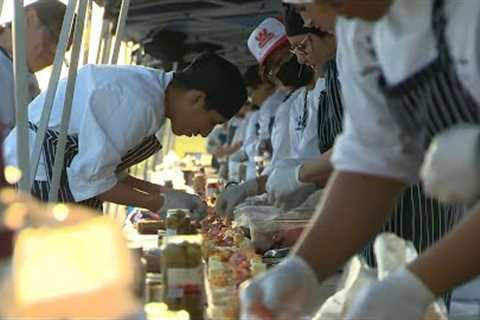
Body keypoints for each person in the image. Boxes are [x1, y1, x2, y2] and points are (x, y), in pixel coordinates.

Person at [240, 0, 480, 319]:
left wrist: (414, 287)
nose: (308, 19)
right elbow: (371, 158)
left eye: (304, 7)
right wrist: (303, 269)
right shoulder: (358, 35)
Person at [4, 52, 247, 215]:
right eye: (212, 122)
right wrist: (160, 204)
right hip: (38, 177)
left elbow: (107, 173)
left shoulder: (149, 92)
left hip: (43, 171)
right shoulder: (141, 103)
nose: (205, 133)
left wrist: (163, 192)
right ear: (197, 98)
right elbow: (90, 179)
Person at [215, 17, 313, 215]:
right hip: (300, 206)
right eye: (274, 66)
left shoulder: (335, 85)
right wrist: (253, 191)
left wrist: (252, 190)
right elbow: (283, 163)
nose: (284, 67)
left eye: (287, 55)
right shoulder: (294, 104)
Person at [0, 0, 67, 135]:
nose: (55, 52)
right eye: (54, 37)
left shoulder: (27, 79)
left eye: (63, 50)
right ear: (29, 19)